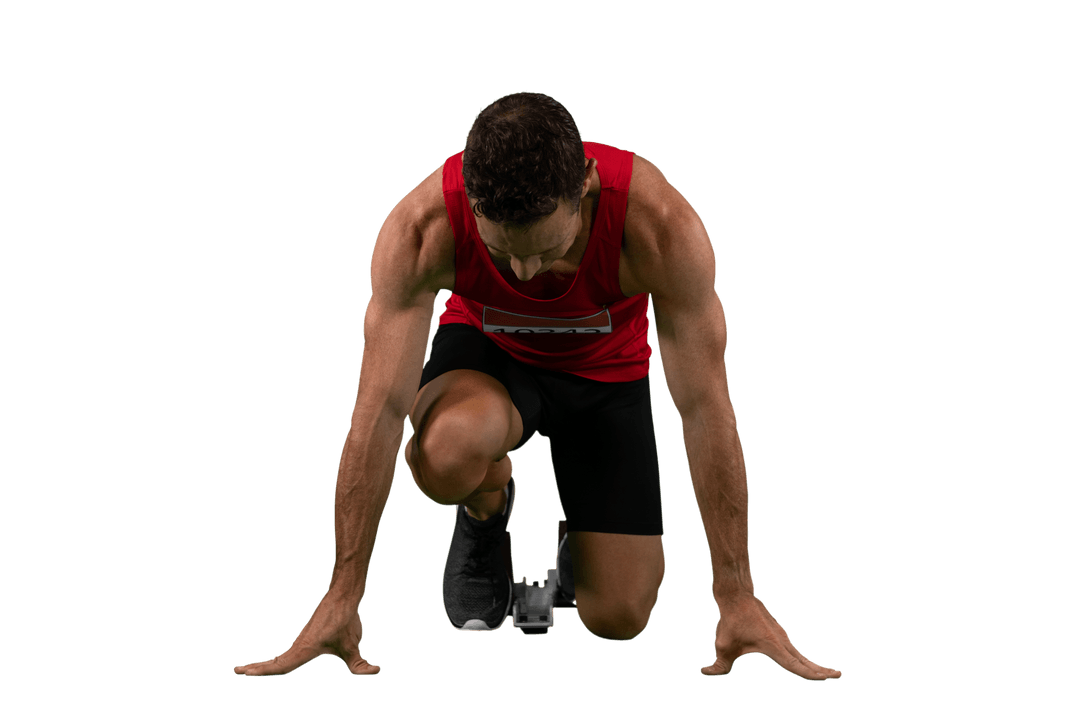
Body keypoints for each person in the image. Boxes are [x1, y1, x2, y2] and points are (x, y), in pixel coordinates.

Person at [233, 91, 842, 681]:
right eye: (504, 255)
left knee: (620, 617)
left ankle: (584, 542)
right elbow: (379, 409)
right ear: (471, 203)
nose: (525, 274)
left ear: (586, 184)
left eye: (548, 250)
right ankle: (485, 509)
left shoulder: (659, 227)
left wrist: (736, 592)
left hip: (605, 375)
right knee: (440, 454)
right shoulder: (422, 228)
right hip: (491, 360)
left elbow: (705, 408)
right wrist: (343, 593)